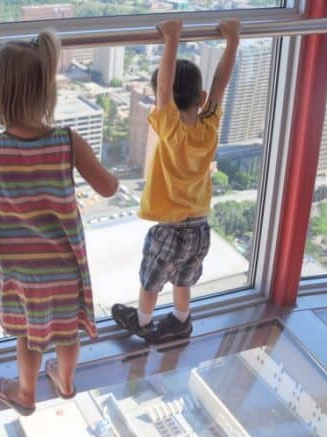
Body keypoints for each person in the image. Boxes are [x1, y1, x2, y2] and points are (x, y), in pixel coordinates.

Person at [0, 31, 118, 415]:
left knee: (29, 337)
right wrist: (114, 179)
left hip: (22, 272)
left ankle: (25, 392)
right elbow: (107, 188)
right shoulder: (68, 141)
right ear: (47, 91)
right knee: (67, 331)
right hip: (64, 267)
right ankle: (65, 379)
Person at [111, 19, 241, 343]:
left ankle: (142, 322)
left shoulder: (171, 130)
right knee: (184, 279)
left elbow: (165, 88)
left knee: (151, 280)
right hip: (200, 227)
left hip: (171, 227)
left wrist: (172, 38)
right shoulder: (209, 126)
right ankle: (181, 321)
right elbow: (221, 85)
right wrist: (232, 41)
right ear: (201, 96)